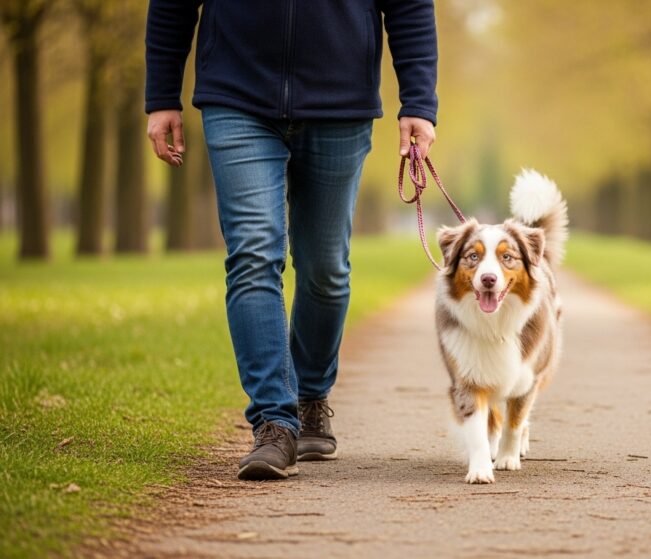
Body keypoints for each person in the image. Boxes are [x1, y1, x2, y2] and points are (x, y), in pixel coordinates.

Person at [144, 1, 438, 481]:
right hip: (235, 96)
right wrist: (161, 95)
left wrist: (419, 103)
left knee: (326, 268)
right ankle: (274, 423)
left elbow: (409, 7)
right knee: (254, 254)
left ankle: (310, 397)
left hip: (341, 103)